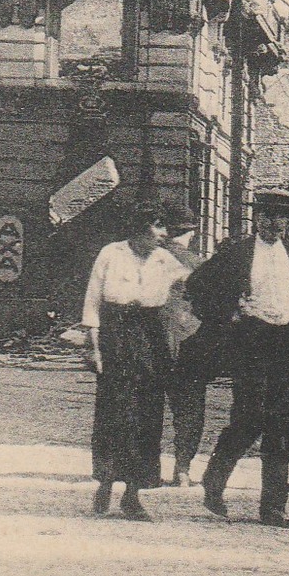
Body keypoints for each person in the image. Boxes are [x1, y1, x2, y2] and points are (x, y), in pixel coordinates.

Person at [188, 188, 289, 528]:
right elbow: (197, 285)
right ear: (256, 218)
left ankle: (273, 506)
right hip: (251, 342)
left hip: (286, 344)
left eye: (280, 216)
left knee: (281, 424)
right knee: (248, 419)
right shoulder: (237, 251)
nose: (273, 222)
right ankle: (215, 480)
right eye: (266, 215)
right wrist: (229, 313)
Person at [82, 204, 186, 521]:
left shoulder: (165, 259)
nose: (164, 234)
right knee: (115, 413)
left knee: (145, 417)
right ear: (139, 227)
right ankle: (104, 485)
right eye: (158, 226)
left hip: (150, 339)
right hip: (116, 337)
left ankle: (132, 495)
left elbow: (194, 283)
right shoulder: (111, 254)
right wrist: (93, 345)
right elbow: (93, 301)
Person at [160, 204, 214, 487]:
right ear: (192, 233)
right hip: (189, 343)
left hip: (153, 341)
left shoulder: (152, 258)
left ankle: (143, 466)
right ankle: (182, 469)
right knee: (190, 409)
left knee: (148, 404)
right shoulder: (198, 265)